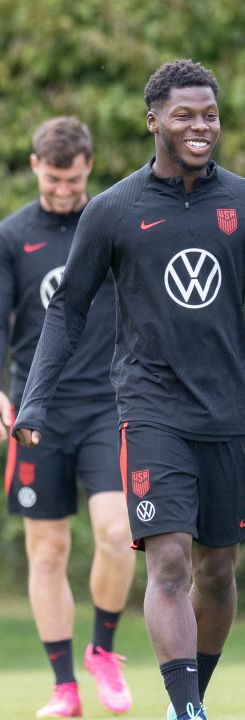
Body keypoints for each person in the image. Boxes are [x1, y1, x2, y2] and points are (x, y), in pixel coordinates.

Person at [14, 59, 245, 720]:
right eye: (185, 114)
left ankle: (194, 695)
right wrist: (35, 397)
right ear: (153, 120)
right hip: (149, 412)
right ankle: (186, 709)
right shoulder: (116, 210)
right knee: (171, 563)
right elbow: (66, 309)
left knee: (218, 573)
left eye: (209, 113)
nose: (200, 125)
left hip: (228, 417)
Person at [1, 116, 136, 718]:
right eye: (54, 179)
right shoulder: (11, 237)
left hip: (109, 405)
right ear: (35, 167)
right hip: (37, 411)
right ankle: (64, 688)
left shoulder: (111, 220)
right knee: (47, 551)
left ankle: (103, 652)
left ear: (88, 167)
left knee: (116, 533)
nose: (64, 190)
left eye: (74, 179)